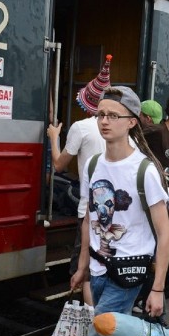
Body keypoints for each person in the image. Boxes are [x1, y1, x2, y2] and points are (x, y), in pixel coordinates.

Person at [36, 87, 169, 336]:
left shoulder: (143, 170)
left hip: (128, 273)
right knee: (116, 328)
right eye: (101, 114)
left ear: (131, 122)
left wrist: (157, 288)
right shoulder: (94, 164)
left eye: (113, 115)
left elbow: (164, 231)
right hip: (97, 266)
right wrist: (81, 266)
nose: (105, 121)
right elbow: (89, 218)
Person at [47, 56, 113, 302]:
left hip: (89, 208)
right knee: (104, 258)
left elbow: (59, 165)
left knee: (83, 263)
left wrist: (54, 136)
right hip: (113, 206)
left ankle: (86, 317)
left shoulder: (81, 128)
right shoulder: (118, 129)